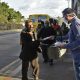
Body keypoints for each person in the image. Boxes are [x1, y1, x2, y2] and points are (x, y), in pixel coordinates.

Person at [56, 8, 80, 80]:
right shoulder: (73, 23)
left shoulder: (76, 23)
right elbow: (68, 36)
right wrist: (55, 37)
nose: (63, 18)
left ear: (67, 15)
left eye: (64, 16)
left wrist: (64, 46)